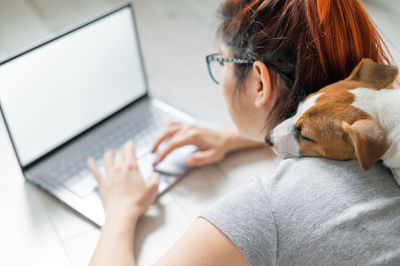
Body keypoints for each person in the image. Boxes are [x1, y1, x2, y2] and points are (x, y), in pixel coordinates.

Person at [87, 0, 400, 265]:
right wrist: (235, 137)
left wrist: (119, 213)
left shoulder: (268, 208)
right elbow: (326, 127)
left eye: (221, 61)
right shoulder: (383, 119)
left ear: (259, 82)